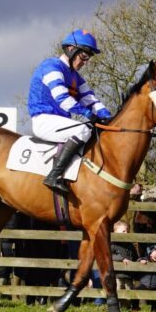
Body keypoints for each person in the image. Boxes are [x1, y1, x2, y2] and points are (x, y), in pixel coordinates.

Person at [28, 29, 112, 193]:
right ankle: (54, 176)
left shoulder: (76, 77)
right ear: (71, 49)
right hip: (44, 120)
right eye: (84, 56)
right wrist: (88, 114)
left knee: (94, 132)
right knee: (82, 129)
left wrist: (109, 118)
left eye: (88, 58)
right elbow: (62, 98)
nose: (85, 62)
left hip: (60, 122)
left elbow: (90, 99)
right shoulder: (51, 66)